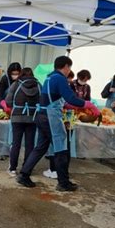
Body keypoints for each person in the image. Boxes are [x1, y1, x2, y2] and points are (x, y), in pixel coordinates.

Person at [16, 56, 100, 190]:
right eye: (69, 68)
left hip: (42, 115)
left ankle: (23, 175)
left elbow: (54, 99)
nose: (69, 71)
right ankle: (63, 183)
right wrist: (88, 104)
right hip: (50, 117)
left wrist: (72, 106)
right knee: (61, 148)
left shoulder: (49, 78)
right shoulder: (59, 78)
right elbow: (71, 97)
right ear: (66, 66)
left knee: (41, 147)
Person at [4, 68, 40, 177]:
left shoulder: (16, 84)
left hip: (17, 118)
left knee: (16, 143)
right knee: (30, 145)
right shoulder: (38, 85)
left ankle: (12, 169)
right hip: (33, 118)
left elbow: (8, 101)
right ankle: (27, 168)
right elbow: (42, 100)